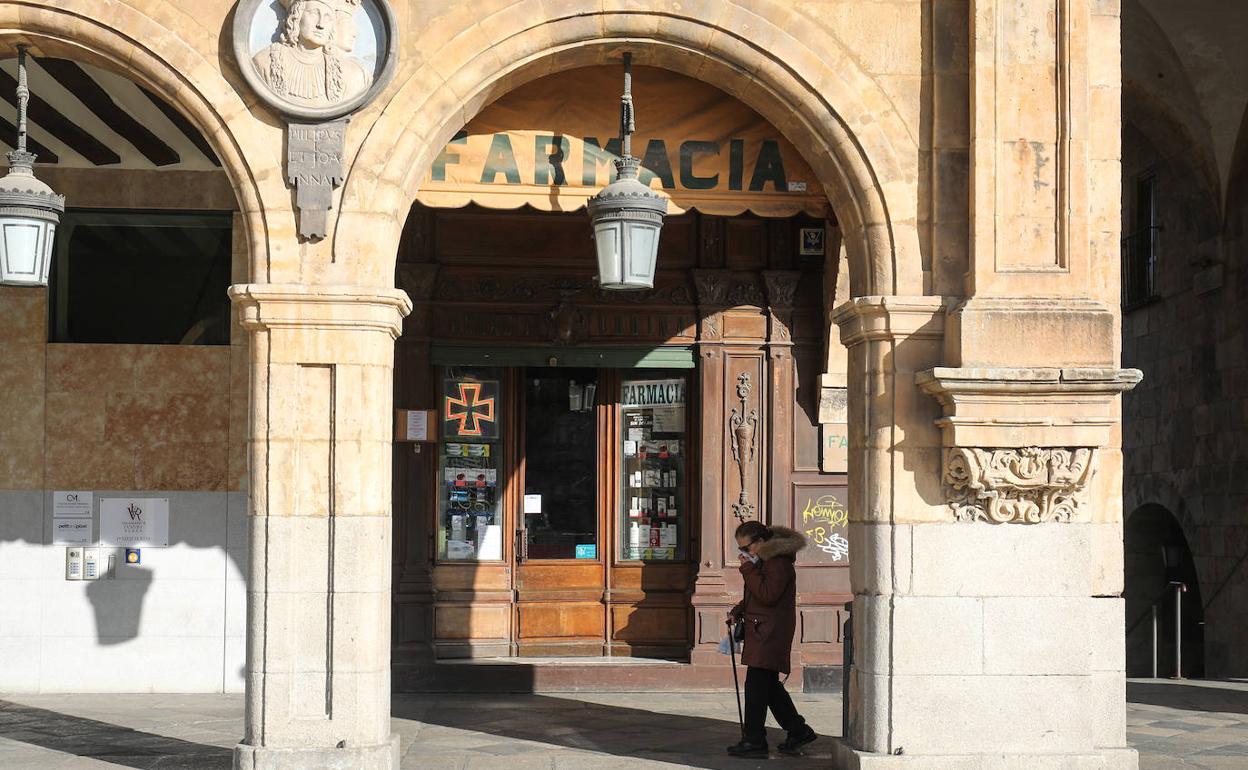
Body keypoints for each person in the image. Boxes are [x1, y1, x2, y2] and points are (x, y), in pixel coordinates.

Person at [725, 520, 817, 757]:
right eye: (740, 549)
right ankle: (798, 730)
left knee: (756, 688)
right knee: (768, 687)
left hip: (770, 633)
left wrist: (747, 569)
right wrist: (739, 609)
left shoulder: (778, 562)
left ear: (760, 541)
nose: (744, 553)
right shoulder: (765, 560)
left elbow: (767, 595)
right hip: (763, 630)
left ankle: (755, 740)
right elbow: (758, 594)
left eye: (746, 548)